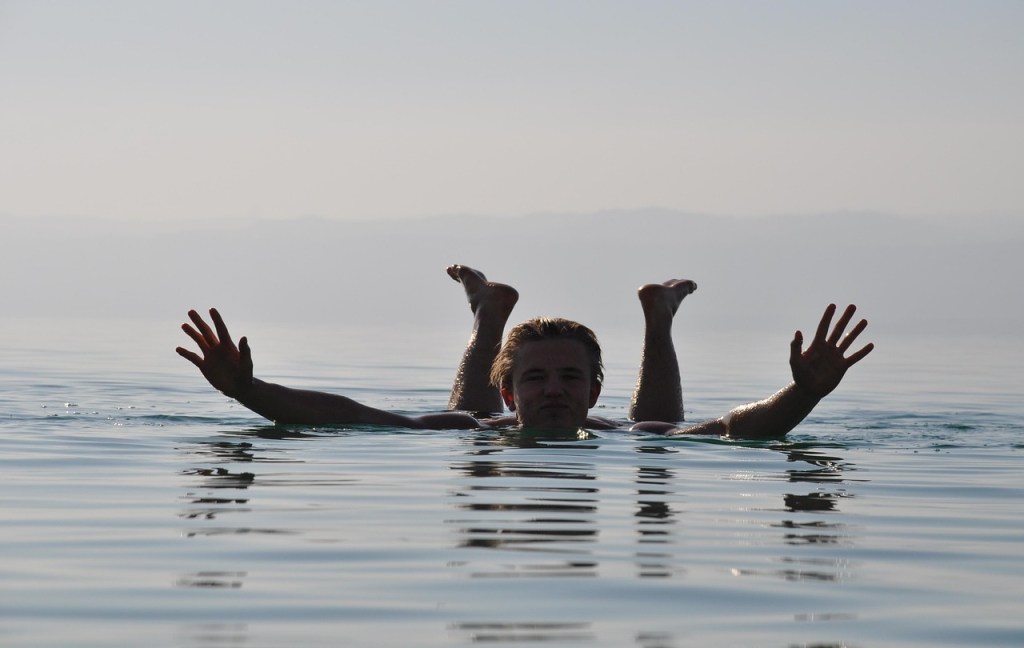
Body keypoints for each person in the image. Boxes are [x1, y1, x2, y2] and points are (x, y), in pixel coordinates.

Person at [176, 265, 873, 438]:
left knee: (656, 440)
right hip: (482, 438)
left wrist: (804, 394)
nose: (554, 390)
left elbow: (729, 428)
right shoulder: (475, 424)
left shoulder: (605, 429)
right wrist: (249, 390)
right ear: (510, 394)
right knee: (467, 438)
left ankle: (656, 319)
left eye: (572, 378)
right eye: (535, 380)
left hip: (624, 434)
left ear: (593, 392)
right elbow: (347, 415)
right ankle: (490, 318)